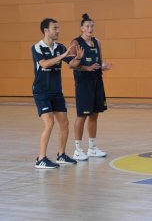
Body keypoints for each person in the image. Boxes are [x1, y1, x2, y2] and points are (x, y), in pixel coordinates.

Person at [32, 18, 83, 169]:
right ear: (46, 31)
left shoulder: (60, 47)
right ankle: (41, 159)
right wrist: (63, 55)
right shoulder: (37, 47)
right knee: (49, 123)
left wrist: (78, 58)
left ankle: (61, 155)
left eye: (58, 28)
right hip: (42, 92)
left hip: (57, 92)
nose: (58, 31)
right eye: (55, 28)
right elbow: (45, 64)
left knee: (64, 123)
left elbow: (72, 65)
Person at [70, 14, 112, 161]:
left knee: (94, 114)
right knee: (82, 115)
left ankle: (92, 148)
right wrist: (86, 67)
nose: (90, 29)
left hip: (97, 82)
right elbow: (71, 65)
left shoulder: (97, 42)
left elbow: (99, 61)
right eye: (87, 26)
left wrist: (104, 66)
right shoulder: (76, 42)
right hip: (83, 84)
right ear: (82, 28)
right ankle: (77, 149)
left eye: (92, 26)